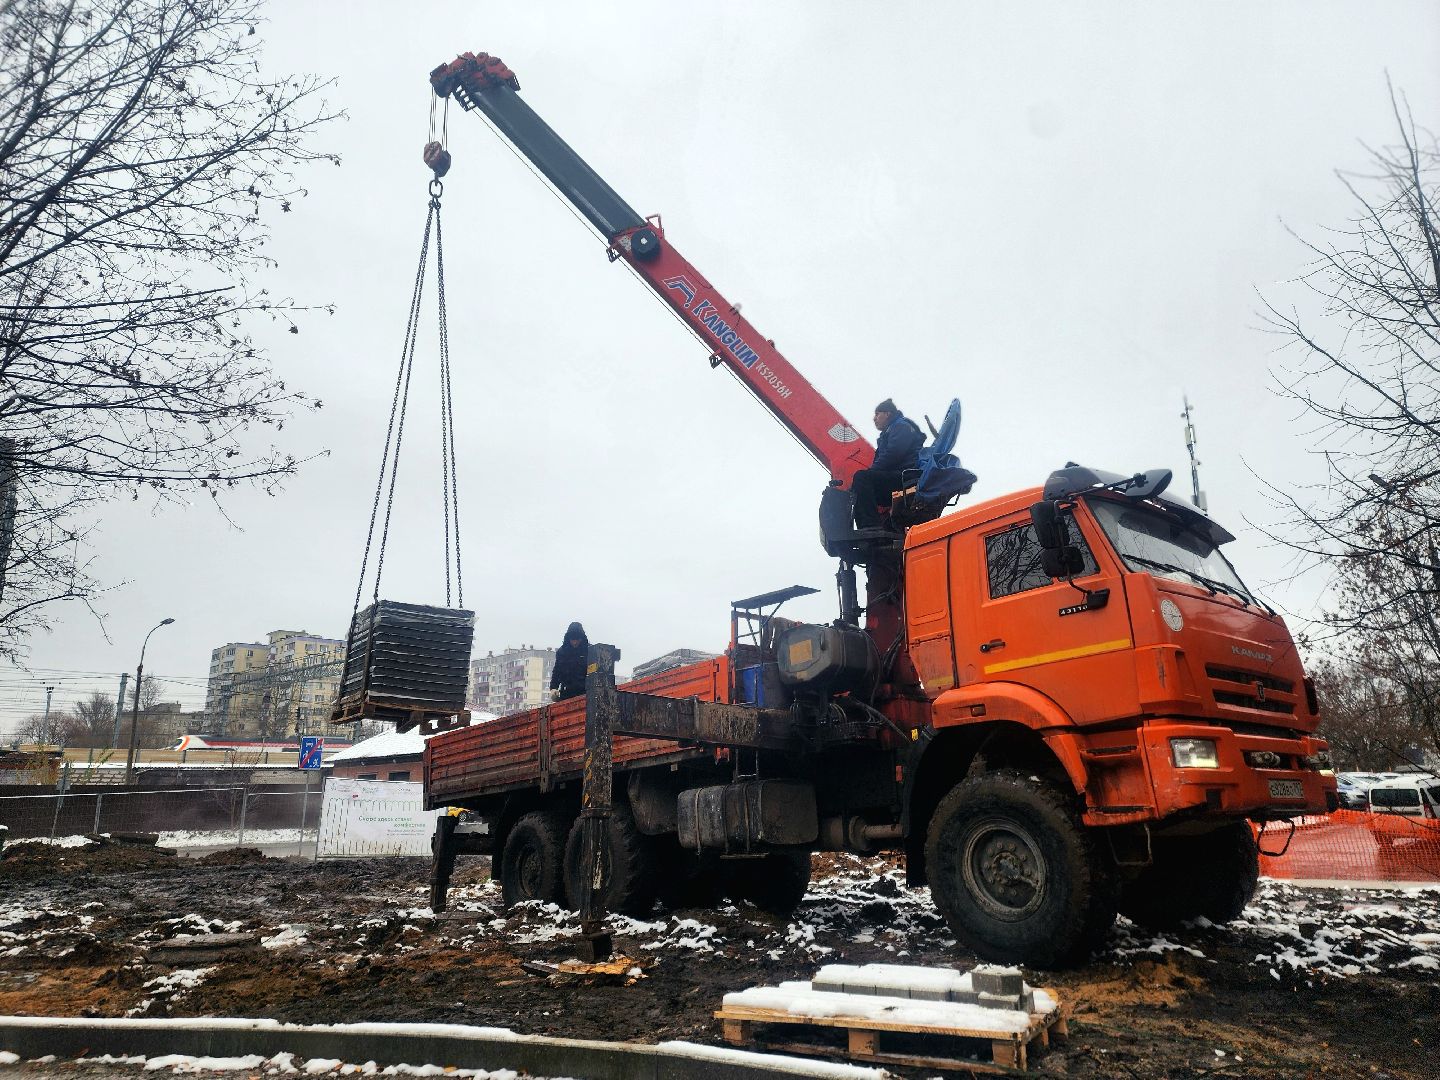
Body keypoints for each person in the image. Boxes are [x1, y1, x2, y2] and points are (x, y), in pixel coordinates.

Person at [851, 398, 925, 528]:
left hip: (905, 476)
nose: (874, 418)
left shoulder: (901, 427)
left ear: (887, 414)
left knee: (862, 478)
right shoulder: (888, 433)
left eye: (877, 414)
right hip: (897, 476)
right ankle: (870, 526)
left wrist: (871, 472)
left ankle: (870, 526)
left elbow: (894, 453)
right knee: (858, 488)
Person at [550, 621, 589, 701]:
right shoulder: (562, 652)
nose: (575, 642)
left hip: (585, 692)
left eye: (577, 639)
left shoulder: (589, 651)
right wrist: (553, 688)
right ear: (568, 639)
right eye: (572, 639)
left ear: (581, 638)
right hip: (566, 692)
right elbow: (557, 671)